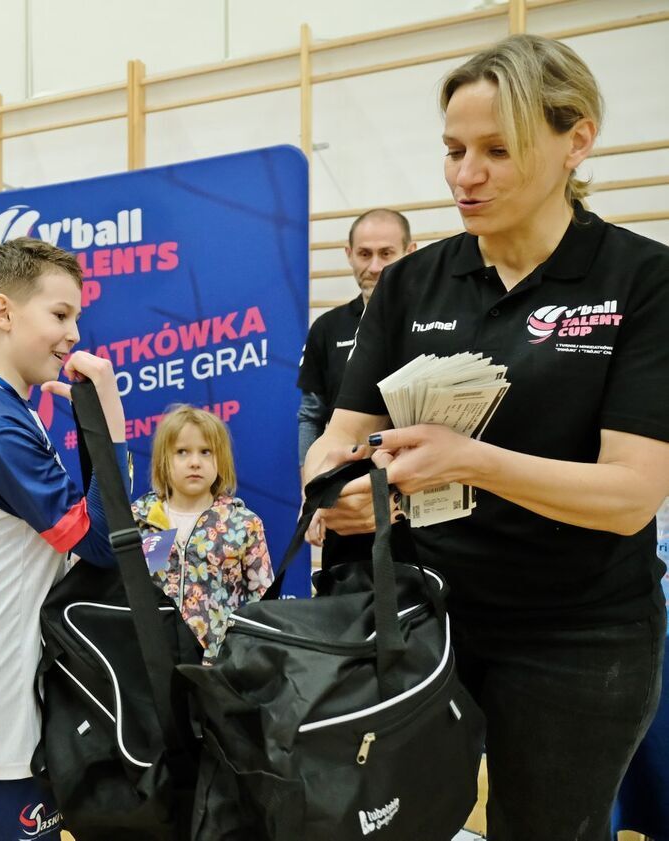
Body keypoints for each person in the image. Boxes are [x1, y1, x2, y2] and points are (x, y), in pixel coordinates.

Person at [305, 34, 669, 840]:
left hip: (580, 636)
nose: (465, 175)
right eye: (454, 149)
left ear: (577, 140)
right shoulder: (411, 281)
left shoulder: (642, 281)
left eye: (498, 151)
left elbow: (630, 497)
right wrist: (337, 487)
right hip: (424, 620)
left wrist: (471, 460)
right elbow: (337, 439)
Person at [0, 237, 132, 840]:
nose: (74, 336)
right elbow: (97, 541)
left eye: (77, 319)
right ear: (4, 312)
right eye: (60, 315)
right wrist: (109, 424)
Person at [297, 209, 414, 565]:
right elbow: (311, 418)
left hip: (414, 507)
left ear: (410, 252)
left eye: (386, 253)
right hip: (346, 500)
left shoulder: (431, 321)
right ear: (348, 254)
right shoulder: (327, 328)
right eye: (364, 254)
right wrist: (312, 491)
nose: (375, 266)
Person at [132, 405, 273, 663]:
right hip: (149, 664)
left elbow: (261, 603)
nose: (195, 461)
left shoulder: (244, 524)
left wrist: (243, 659)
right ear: (164, 460)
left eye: (206, 452)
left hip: (219, 668)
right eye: (182, 452)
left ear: (220, 460)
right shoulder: (139, 521)